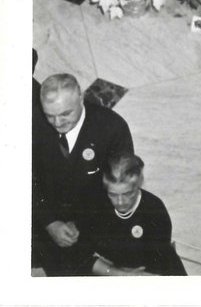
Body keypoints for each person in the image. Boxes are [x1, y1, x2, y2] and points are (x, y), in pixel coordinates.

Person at [32, 72, 133, 276]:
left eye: (65, 114)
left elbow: (118, 185)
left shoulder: (113, 128)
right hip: (43, 211)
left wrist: (80, 224)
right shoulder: (32, 123)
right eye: (50, 115)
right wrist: (49, 221)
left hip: (94, 214)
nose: (58, 123)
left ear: (81, 98)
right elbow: (23, 178)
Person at [87, 152, 185, 275]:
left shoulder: (154, 209)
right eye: (112, 194)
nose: (120, 202)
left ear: (138, 184)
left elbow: (159, 262)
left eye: (128, 194)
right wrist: (117, 273)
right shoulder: (95, 206)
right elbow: (81, 256)